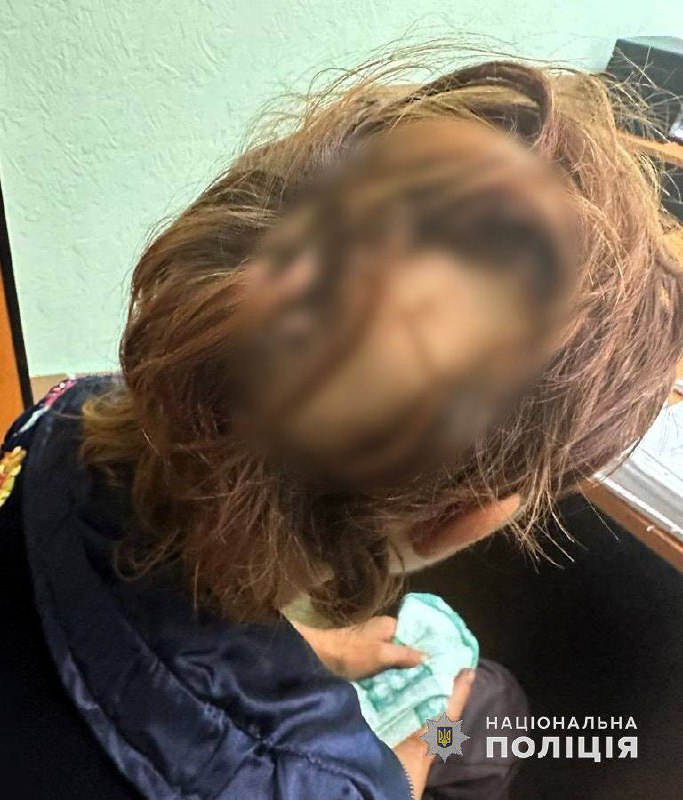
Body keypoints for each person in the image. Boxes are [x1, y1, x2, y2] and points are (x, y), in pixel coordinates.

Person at [1, 56, 682, 800]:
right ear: (465, 516)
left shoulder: (63, 415)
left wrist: (309, 649)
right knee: (488, 713)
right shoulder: (340, 784)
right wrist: (418, 754)